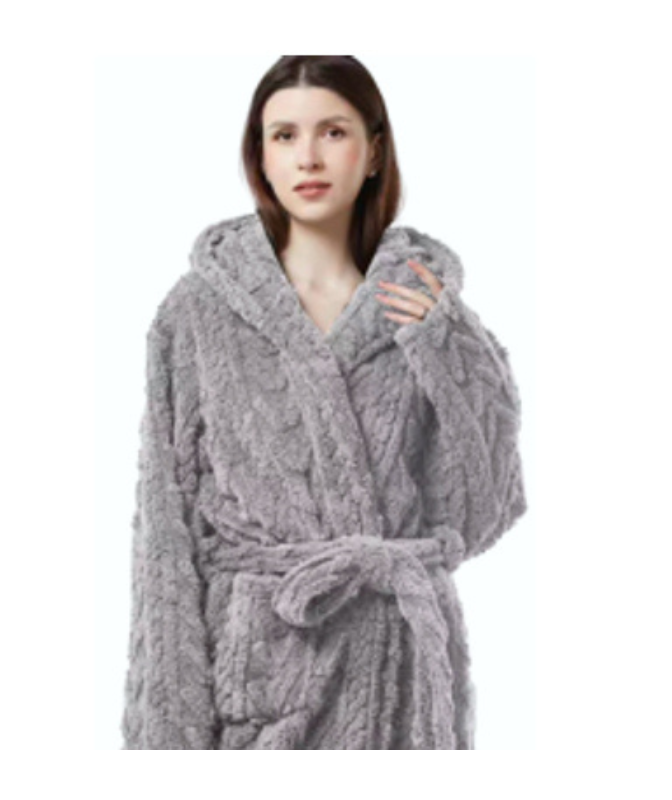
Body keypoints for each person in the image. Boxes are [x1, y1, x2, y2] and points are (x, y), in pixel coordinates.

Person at [120, 56, 528, 750]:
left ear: (374, 151)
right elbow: (164, 533)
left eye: (333, 132)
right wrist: (165, 739)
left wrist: (449, 348)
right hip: (257, 681)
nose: (307, 157)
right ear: (260, 156)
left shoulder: (424, 311)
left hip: (399, 681)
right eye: (284, 136)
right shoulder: (197, 313)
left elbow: (484, 513)